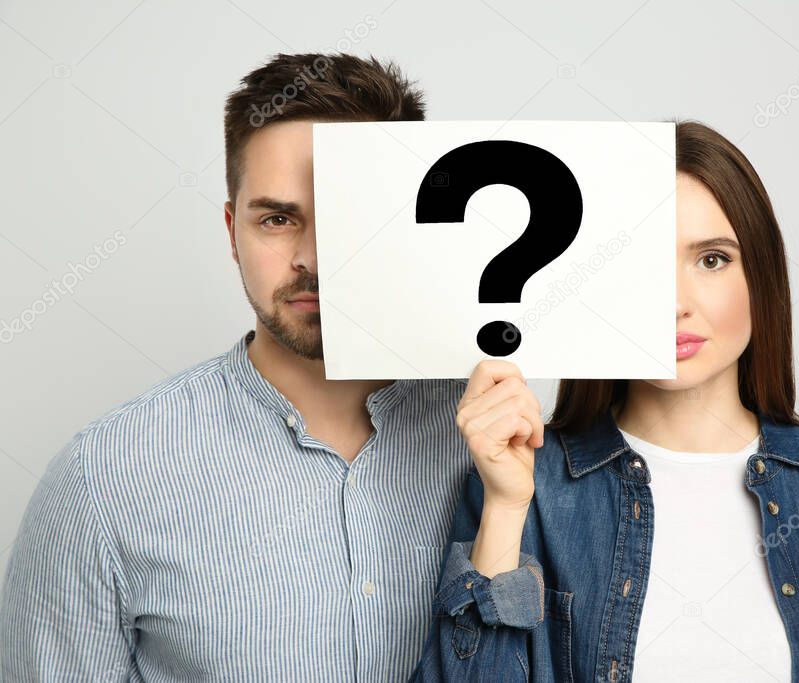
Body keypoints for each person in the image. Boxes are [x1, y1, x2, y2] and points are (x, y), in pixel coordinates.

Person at [0, 53, 525, 681]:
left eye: (346, 217)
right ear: (231, 231)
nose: (309, 256)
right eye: (277, 219)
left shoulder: (501, 442)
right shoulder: (105, 477)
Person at [413, 121, 799, 682]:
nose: (674, 304)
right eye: (641, 264)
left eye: (712, 259)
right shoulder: (527, 488)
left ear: (760, 278)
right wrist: (503, 506)